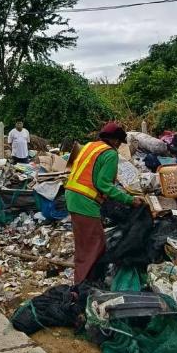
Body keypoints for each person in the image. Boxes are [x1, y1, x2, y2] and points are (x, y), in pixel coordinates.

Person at [65, 122, 144, 285]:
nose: (119, 146)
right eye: (119, 142)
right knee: (94, 244)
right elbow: (103, 184)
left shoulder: (90, 146)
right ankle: (83, 286)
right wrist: (129, 199)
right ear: (115, 140)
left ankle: (83, 282)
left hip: (72, 196)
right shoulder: (110, 154)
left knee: (84, 243)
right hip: (85, 200)